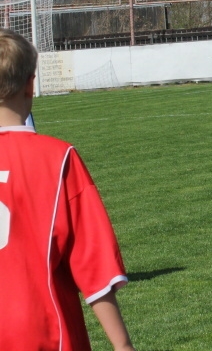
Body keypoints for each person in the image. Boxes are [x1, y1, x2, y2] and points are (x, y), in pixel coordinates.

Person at [0, 29, 136, 350]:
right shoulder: (58, 158)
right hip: (41, 331)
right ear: (31, 84)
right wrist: (122, 344)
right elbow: (94, 264)